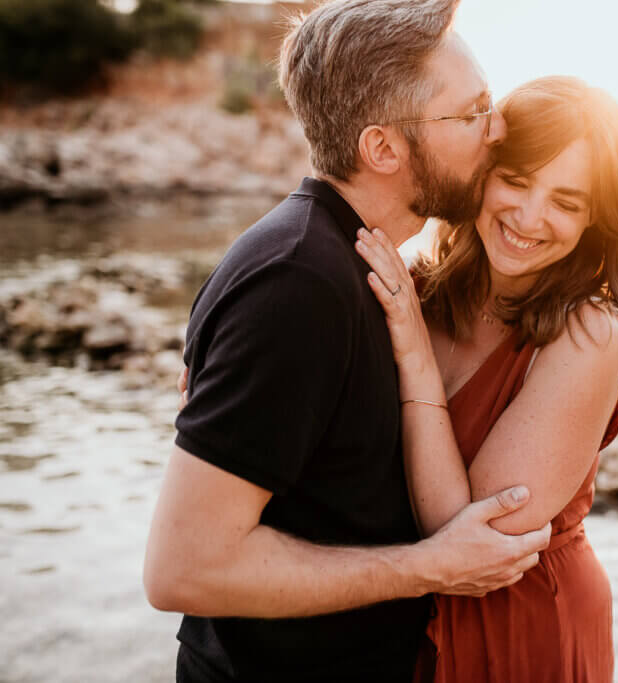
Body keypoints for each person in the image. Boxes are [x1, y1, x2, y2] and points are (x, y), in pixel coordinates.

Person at [142, 2, 551, 682]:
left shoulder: (345, 264)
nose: (498, 127)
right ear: (383, 147)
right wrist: (430, 566)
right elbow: (182, 568)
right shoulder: (298, 284)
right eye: (472, 111)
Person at [353, 75, 618, 682]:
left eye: (566, 202)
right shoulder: (418, 291)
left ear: (596, 217)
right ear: (481, 171)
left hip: (525, 632)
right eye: (515, 182)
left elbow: (468, 539)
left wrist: (415, 357)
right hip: (397, 623)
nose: (530, 216)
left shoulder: (592, 334)